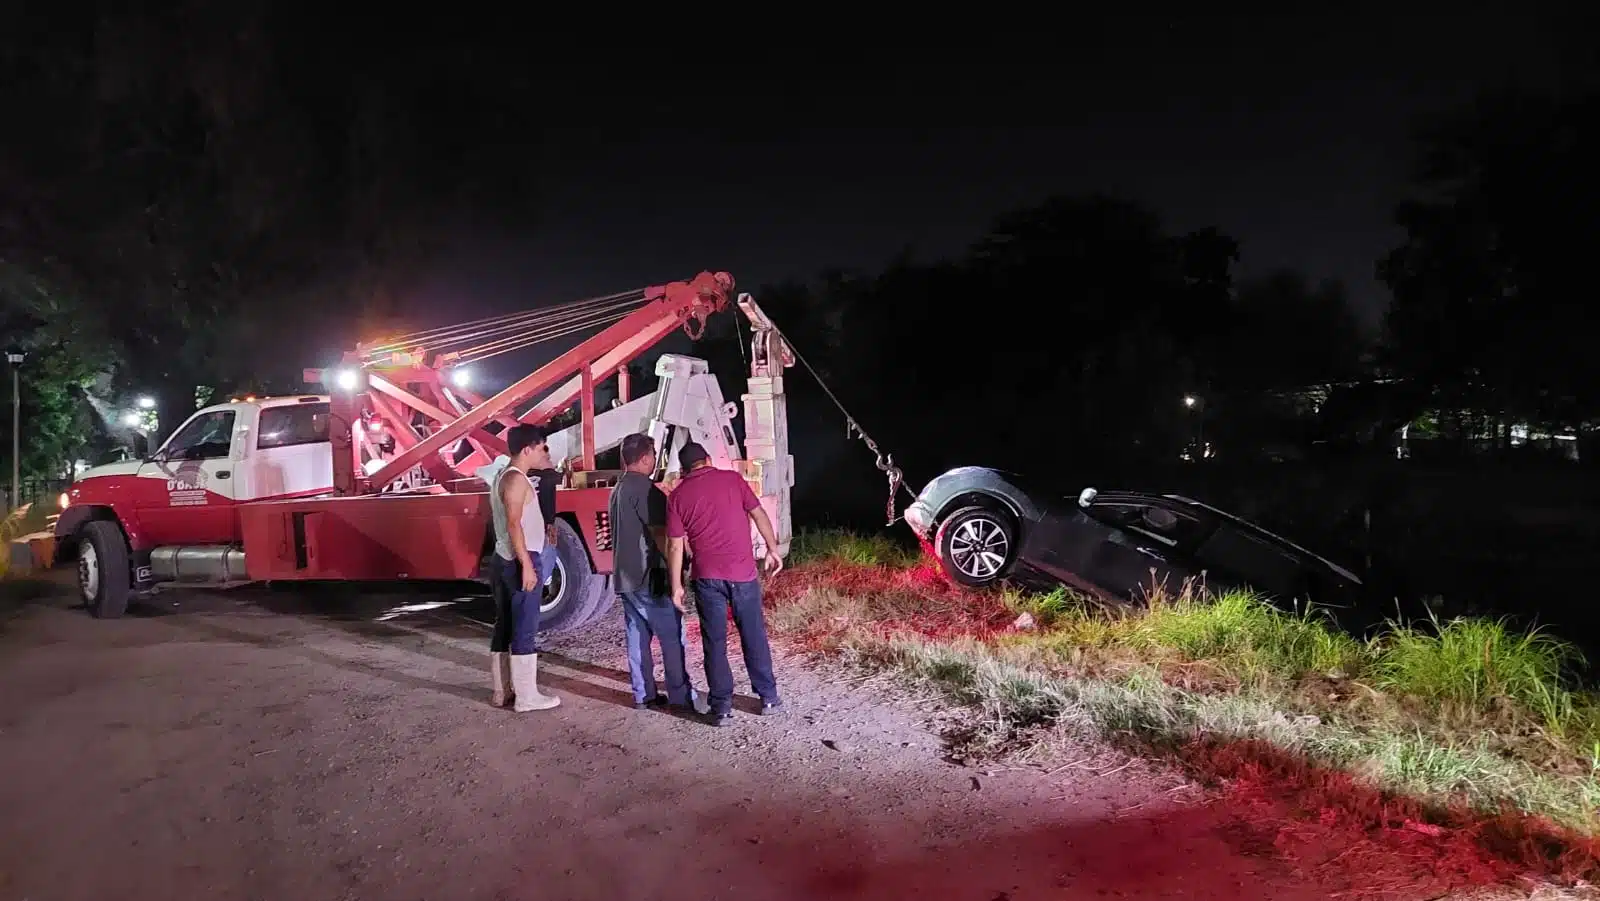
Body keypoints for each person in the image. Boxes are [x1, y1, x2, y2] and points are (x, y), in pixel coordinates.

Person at [666, 441, 785, 726]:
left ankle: (721, 708)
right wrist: (772, 548)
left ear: (684, 469)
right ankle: (768, 697)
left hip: (707, 578)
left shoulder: (678, 496)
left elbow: (674, 546)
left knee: (714, 643)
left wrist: (676, 587)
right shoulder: (732, 479)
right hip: (742, 574)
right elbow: (758, 513)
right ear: (708, 459)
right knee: (753, 635)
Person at [609, 433, 697, 710]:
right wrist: (678, 569)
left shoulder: (618, 490)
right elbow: (662, 537)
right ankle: (680, 698)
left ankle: (643, 694)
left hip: (625, 576)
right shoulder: (647, 491)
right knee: (671, 638)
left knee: (637, 637)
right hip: (650, 576)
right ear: (646, 458)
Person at [485, 424, 561, 712]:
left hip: (505, 557)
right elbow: (514, 523)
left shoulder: (504, 476)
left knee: (505, 624)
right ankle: (527, 698)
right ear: (527, 449)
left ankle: (502, 691)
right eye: (542, 447)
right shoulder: (516, 480)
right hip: (520, 559)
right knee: (524, 627)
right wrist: (528, 566)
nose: (545, 452)